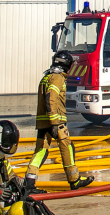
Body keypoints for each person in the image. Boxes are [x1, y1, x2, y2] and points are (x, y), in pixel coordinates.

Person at [25, 51, 94, 191]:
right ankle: (74, 180)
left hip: (43, 122)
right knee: (67, 148)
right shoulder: (57, 77)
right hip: (55, 122)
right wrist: (55, 122)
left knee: (41, 151)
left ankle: (29, 182)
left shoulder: (46, 76)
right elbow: (51, 97)